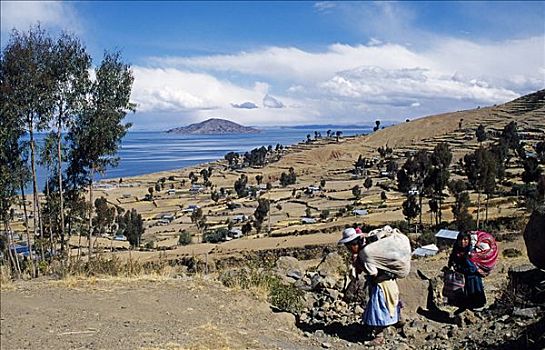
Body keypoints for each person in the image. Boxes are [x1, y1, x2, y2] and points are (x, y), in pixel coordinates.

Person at [339, 228, 401, 345]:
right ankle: (372, 328)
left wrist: (359, 264)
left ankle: (379, 337)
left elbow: (373, 272)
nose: (348, 249)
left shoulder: (366, 253)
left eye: (349, 246)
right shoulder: (367, 251)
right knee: (382, 307)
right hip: (386, 283)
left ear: (354, 244)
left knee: (378, 309)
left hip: (382, 285)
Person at [447, 231, 487, 311]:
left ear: (469, 240)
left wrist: (460, 269)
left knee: (472, 300)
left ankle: (469, 315)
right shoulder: (456, 251)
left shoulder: (471, 252)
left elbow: (472, 268)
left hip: (472, 280)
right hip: (461, 279)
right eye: (461, 239)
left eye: (465, 239)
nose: (463, 242)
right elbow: (452, 263)